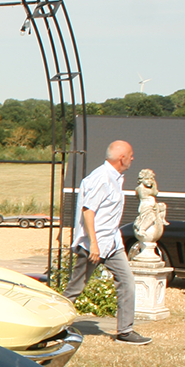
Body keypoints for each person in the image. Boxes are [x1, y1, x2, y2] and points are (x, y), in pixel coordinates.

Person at [65, 140, 150, 344]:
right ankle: (54, 326)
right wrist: (93, 244)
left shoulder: (115, 178)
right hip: (94, 245)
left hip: (112, 243)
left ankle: (125, 331)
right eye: (130, 155)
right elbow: (88, 211)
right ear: (122, 158)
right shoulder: (101, 178)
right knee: (74, 289)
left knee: (127, 281)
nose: (132, 158)